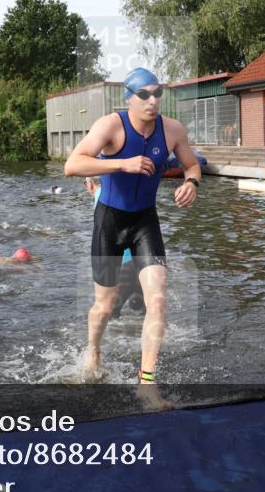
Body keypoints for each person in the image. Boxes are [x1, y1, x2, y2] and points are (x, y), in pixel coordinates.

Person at [64, 67, 200, 386]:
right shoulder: (111, 125)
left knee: (158, 299)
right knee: (104, 306)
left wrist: (191, 183)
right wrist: (122, 164)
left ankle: (146, 380)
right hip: (109, 221)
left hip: (144, 222)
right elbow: (72, 165)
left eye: (157, 93)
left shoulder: (172, 130)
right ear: (129, 98)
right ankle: (94, 351)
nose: (152, 100)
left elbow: (192, 164)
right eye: (144, 95)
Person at [86, 177, 144, 320]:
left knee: (110, 313)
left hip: (124, 264)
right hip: (143, 262)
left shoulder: (103, 201)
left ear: (90, 185)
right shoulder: (122, 192)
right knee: (145, 313)